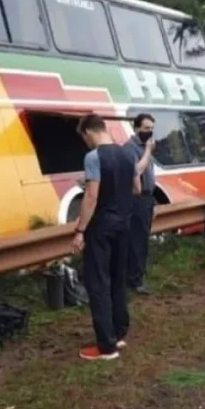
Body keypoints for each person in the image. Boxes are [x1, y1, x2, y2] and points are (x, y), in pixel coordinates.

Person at [71, 114, 141, 361]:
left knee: (98, 283)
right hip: (124, 225)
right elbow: (137, 189)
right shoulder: (127, 153)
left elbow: (91, 197)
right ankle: (119, 333)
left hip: (101, 227)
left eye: (84, 138)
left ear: (88, 132)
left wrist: (80, 231)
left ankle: (106, 346)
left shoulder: (93, 157)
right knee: (117, 279)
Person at [123, 113, 157, 296]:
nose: (149, 132)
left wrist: (154, 202)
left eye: (151, 129)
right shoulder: (130, 148)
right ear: (136, 128)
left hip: (147, 198)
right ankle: (134, 280)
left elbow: (151, 175)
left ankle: (137, 276)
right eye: (146, 128)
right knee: (136, 240)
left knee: (142, 239)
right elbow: (136, 170)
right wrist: (148, 152)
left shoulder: (146, 148)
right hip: (136, 199)